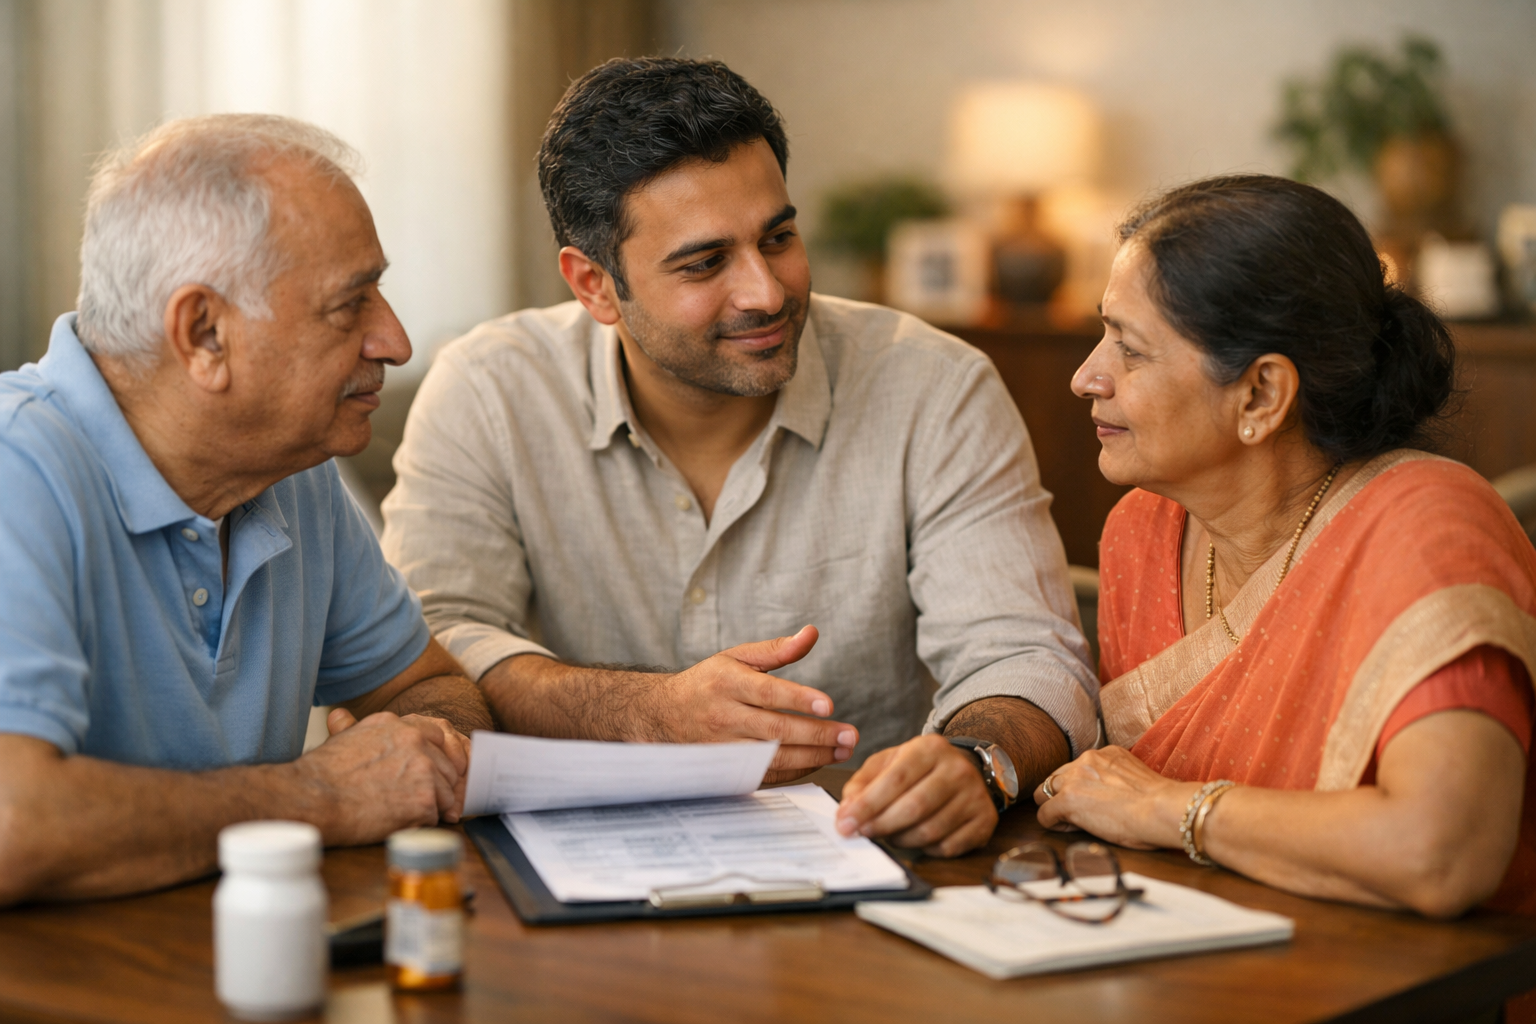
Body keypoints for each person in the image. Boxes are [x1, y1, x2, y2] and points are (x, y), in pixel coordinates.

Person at [382, 57, 1097, 857]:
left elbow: (1028, 658)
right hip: (573, 871)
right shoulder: (489, 389)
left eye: (778, 237)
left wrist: (978, 763)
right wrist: (646, 713)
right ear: (595, 286)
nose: (765, 291)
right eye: (704, 262)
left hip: (873, 870)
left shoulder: (935, 387)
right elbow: (427, 644)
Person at [0, 114, 494, 905]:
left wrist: (419, 751)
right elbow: (13, 828)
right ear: (204, 334)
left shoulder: (291, 469)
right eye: (350, 304)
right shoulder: (16, 469)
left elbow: (430, 691)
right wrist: (324, 795)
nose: (395, 341)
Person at [1038, 174, 1535, 922]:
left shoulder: (1428, 524)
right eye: (1102, 333)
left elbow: (1442, 853)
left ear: (1262, 395)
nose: (1087, 377)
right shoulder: (1141, 532)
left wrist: (1171, 811)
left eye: (1130, 350)